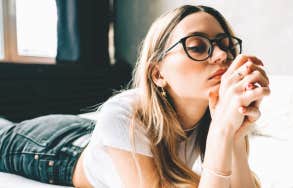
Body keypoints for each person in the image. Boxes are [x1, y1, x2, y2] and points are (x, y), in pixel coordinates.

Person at [0, 4, 270, 188]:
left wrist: (233, 134)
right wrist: (223, 131)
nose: (222, 56)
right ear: (157, 73)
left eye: (226, 45)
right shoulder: (122, 114)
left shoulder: (216, 115)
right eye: (198, 46)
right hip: (55, 148)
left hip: (99, 135)